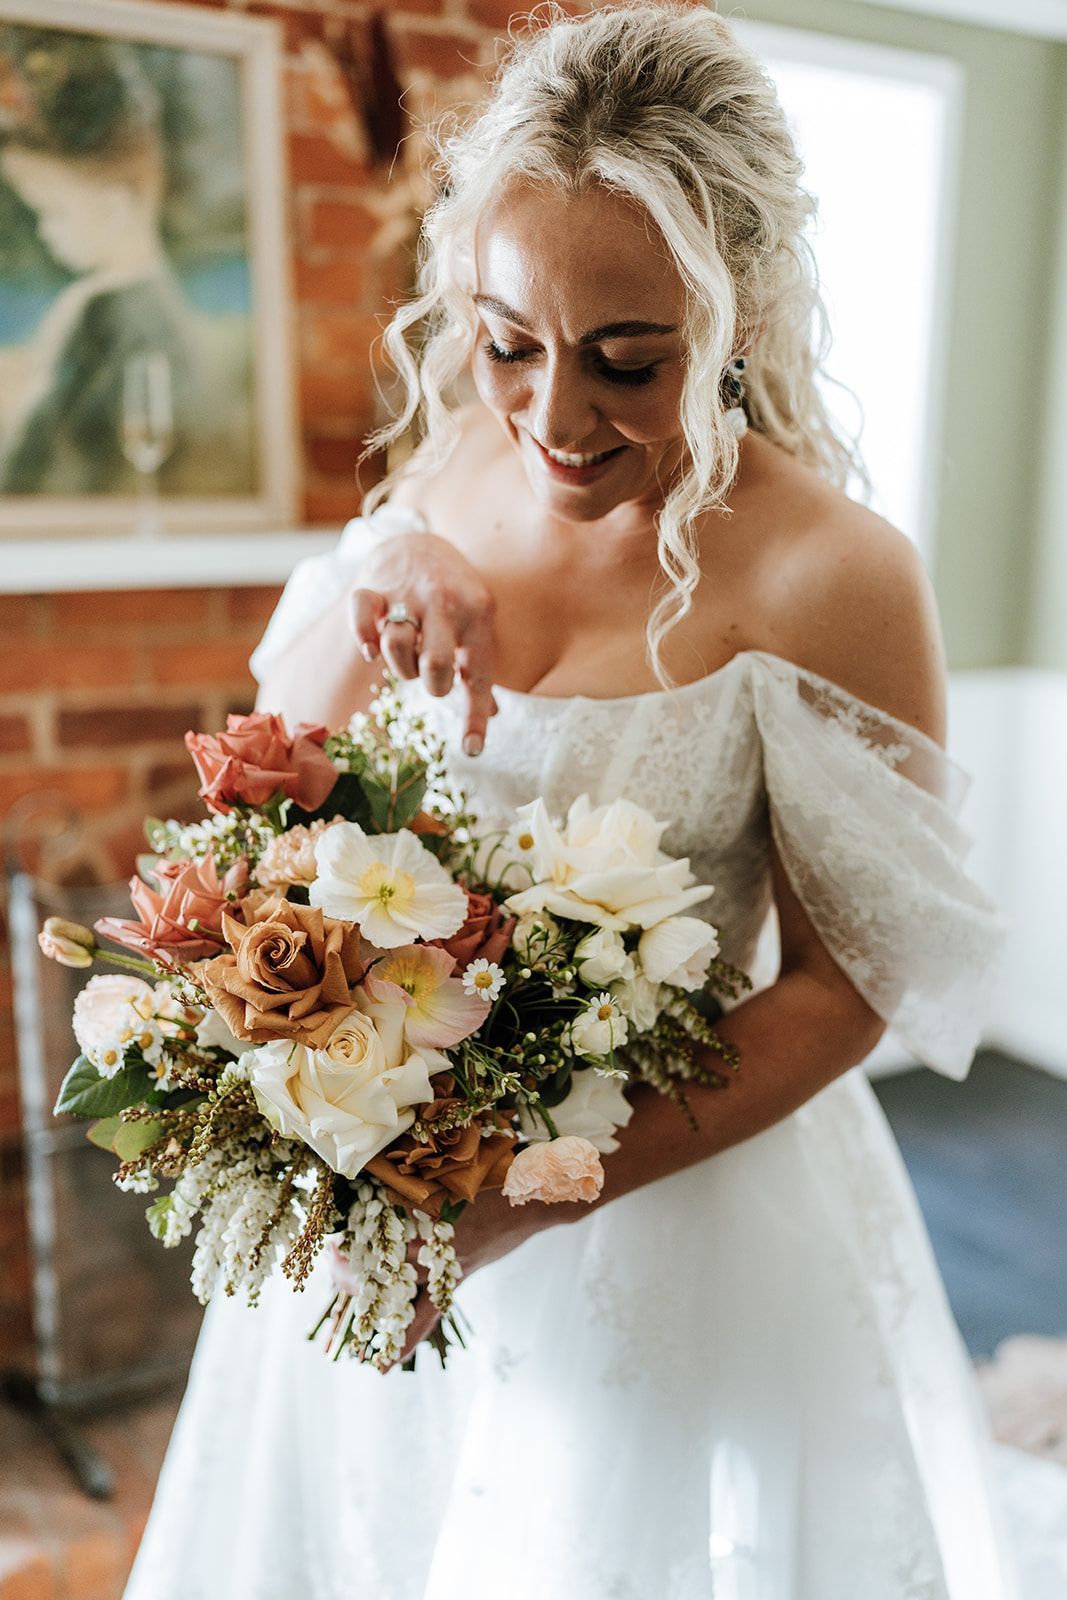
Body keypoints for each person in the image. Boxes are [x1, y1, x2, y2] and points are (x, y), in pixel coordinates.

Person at [123, 7, 1067, 1596]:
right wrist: (384, 563)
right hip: (381, 1209)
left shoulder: (836, 577)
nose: (554, 420)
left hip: (672, 1212)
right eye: (506, 342)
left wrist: (520, 1197)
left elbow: (847, 995)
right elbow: (278, 791)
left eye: (629, 360)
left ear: (743, 312)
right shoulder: (443, 475)